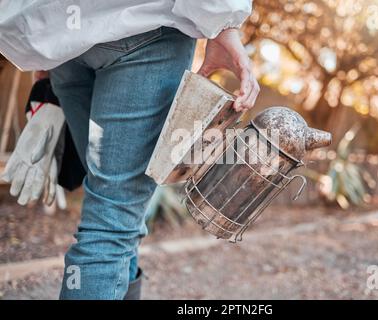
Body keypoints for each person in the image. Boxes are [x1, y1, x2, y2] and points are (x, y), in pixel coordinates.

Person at [0, 1, 259, 299]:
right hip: (146, 32)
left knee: (116, 213)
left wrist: (41, 61)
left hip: (65, 43)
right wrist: (223, 25)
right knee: (111, 223)